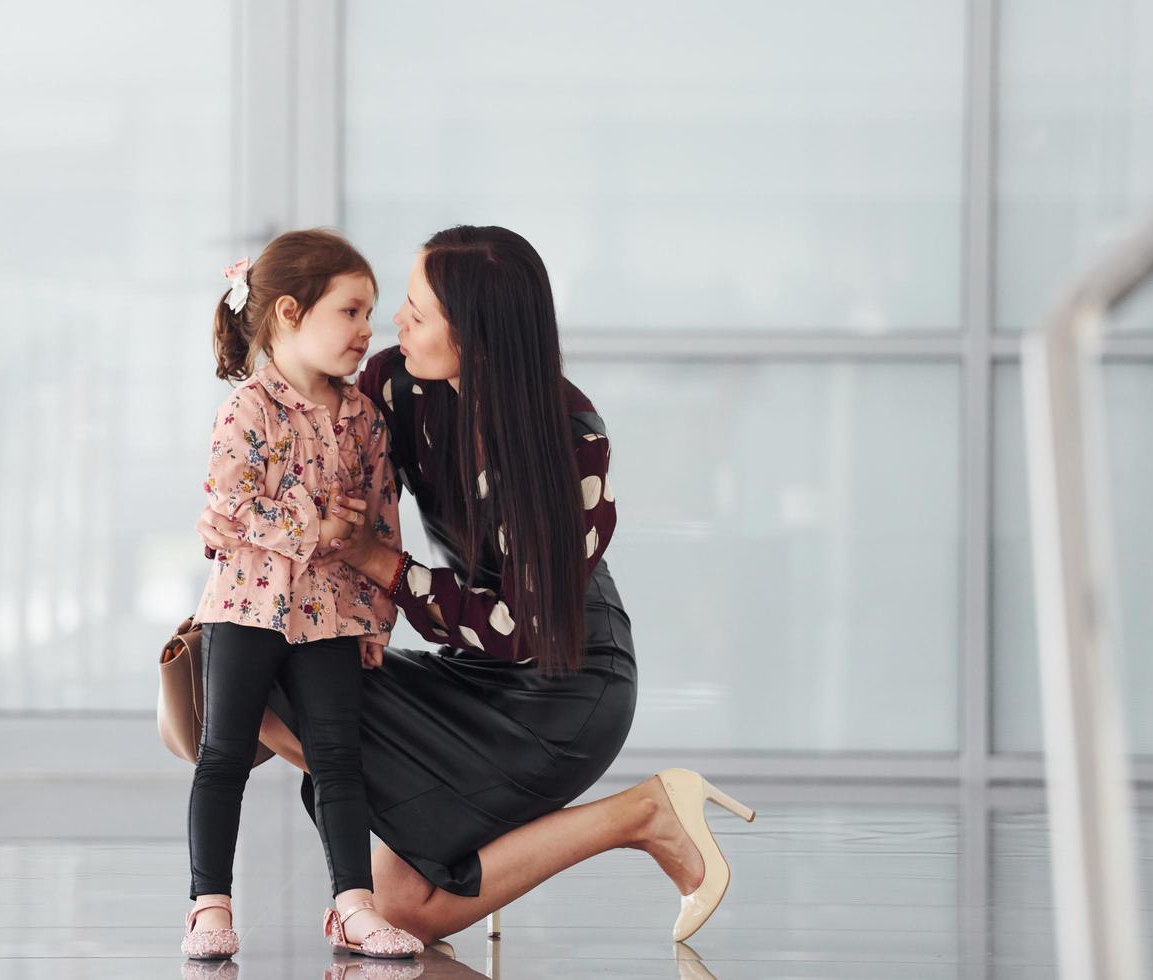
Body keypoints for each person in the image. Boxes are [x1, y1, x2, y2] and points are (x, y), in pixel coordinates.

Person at [197, 225, 754, 946]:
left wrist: (378, 563)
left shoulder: (571, 439)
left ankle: (643, 815)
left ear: (478, 335)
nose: (392, 324)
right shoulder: (396, 382)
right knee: (251, 671)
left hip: (561, 681)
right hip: (467, 654)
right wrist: (242, 513)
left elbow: (515, 627)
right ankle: (457, 824)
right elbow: (328, 470)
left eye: (416, 312)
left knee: (403, 908)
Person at [181, 230, 421, 961]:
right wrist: (316, 523)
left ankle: (353, 904)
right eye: (351, 311)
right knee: (224, 755)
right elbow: (227, 508)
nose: (366, 331)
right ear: (290, 311)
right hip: (244, 608)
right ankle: (208, 906)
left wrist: (376, 618)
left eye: (370, 313)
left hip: (333, 613)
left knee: (337, 758)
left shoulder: (364, 420)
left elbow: (381, 519)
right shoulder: (247, 409)